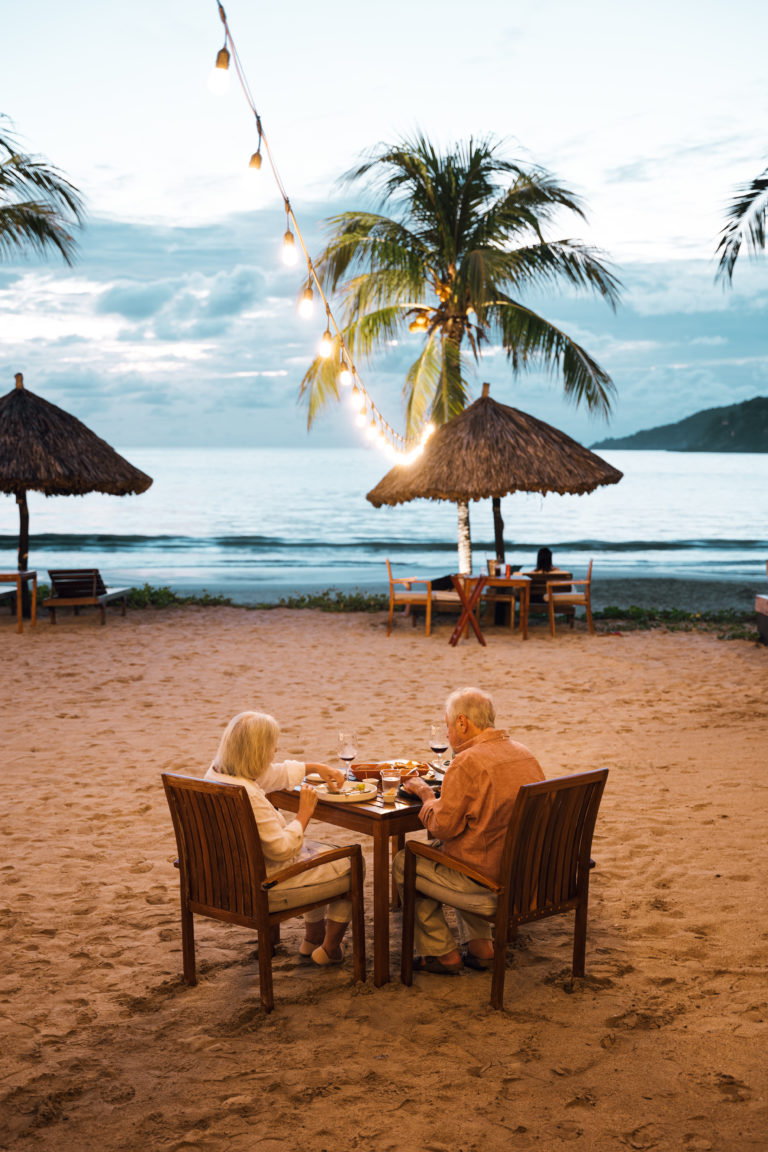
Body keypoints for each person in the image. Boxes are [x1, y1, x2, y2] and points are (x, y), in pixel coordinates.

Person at [393, 687, 544, 974]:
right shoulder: (525, 754)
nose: (448, 735)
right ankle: (480, 947)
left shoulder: (467, 762)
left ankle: (442, 953)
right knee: (468, 842)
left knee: (406, 861)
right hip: (529, 876)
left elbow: (441, 827)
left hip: (491, 884)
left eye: (449, 725)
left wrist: (426, 795)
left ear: (462, 722)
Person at [205, 711, 357, 967]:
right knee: (350, 864)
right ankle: (330, 948)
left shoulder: (216, 774)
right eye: (270, 746)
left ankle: (312, 938)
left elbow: (271, 774)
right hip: (262, 888)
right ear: (255, 752)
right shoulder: (249, 796)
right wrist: (303, 814)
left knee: (316, 852)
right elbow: (282, 849)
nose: (275, 749)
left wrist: (313, 767)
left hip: (222, 881)